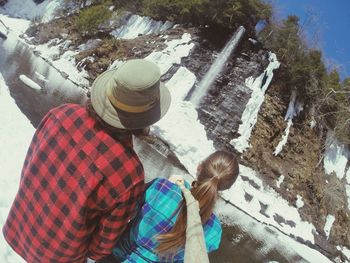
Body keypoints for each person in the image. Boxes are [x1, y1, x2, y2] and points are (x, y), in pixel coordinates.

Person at [2, 59, 171, 263]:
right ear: (146, 119)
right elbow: (102, 245)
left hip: (19, 226)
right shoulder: (129, 173)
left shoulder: (61, 113)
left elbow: (30, 167)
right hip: (59, 257)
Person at [101, 150, 239, 263]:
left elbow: (125, 212)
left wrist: (175, 186)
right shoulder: (214, 231)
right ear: (226, 188)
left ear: (199, 167)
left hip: (116, 258)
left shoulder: (162, 187)